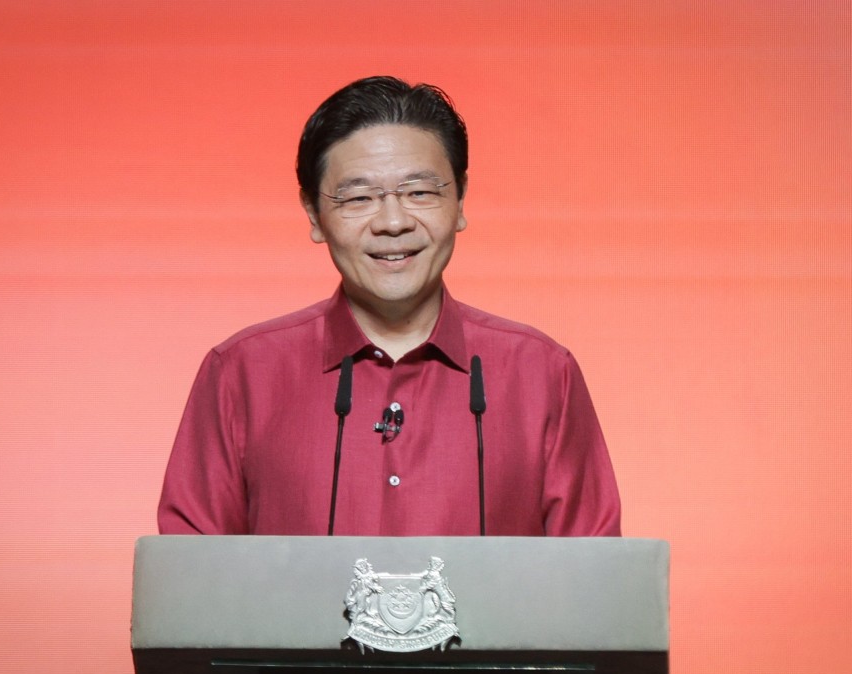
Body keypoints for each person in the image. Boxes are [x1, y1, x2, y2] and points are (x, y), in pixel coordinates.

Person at [158, 76, 620, 537]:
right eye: (358, 198)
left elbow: (598, 584)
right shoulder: (241, 372)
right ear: (314, 215)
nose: (394, 222)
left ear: (459, 199)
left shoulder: (541, 372)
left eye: (419, 192)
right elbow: (188, 581)